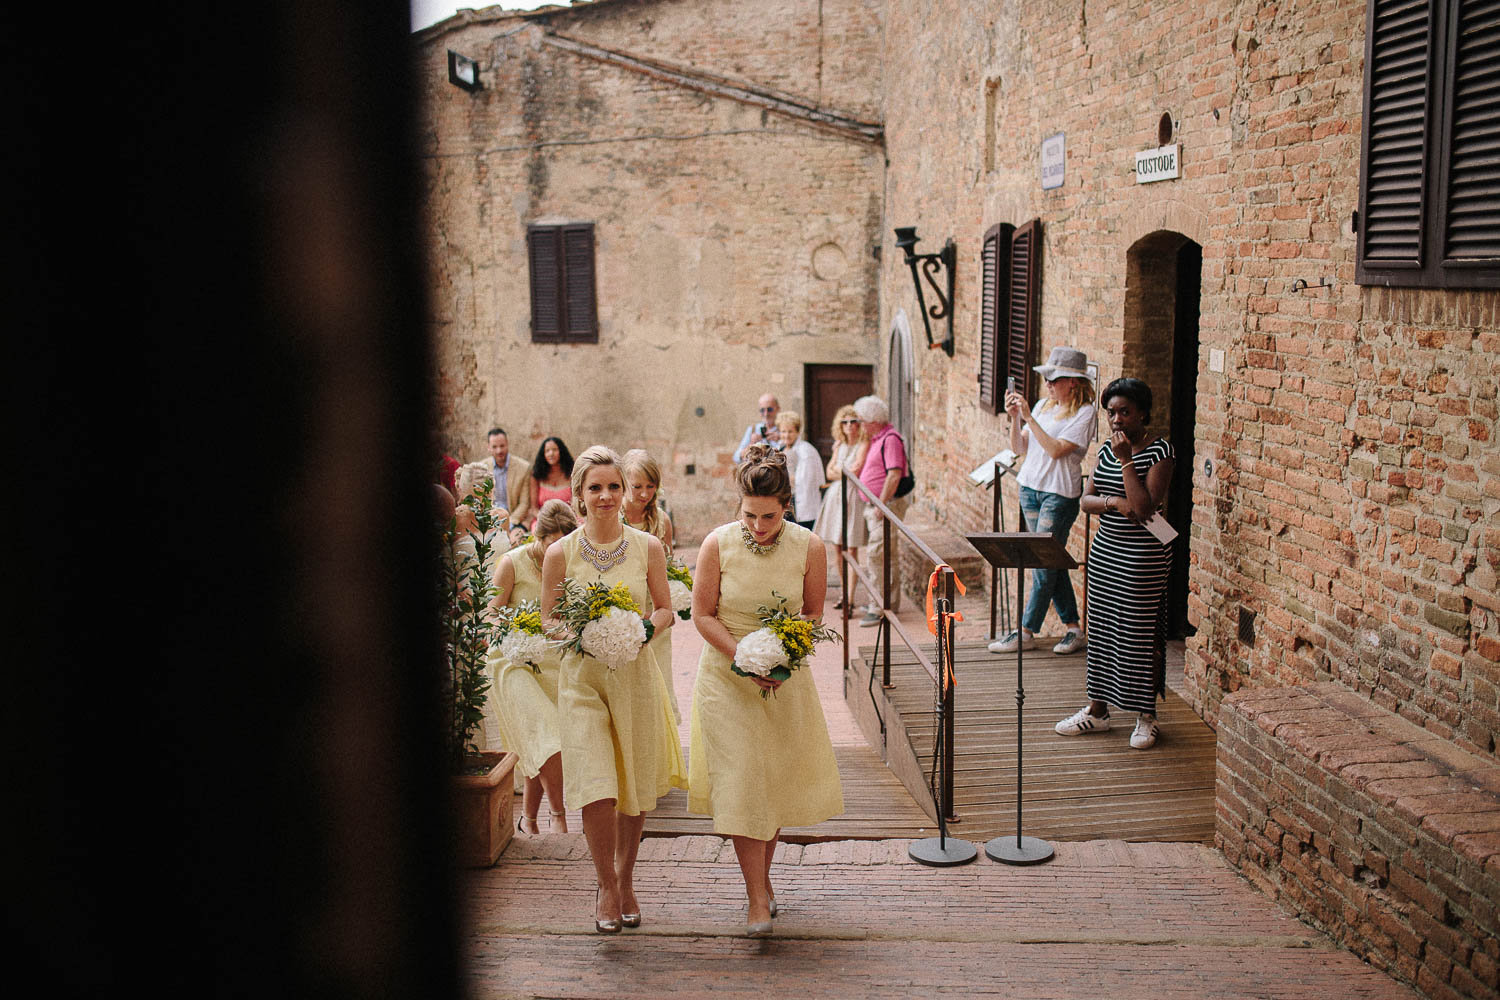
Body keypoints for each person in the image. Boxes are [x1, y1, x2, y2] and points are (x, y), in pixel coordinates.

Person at [688, 444, 843, 938]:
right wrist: (743, 656)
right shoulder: (716, 544)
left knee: (769, 786)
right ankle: (757, 896)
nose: (759, 526)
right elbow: (702, 614)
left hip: (782, 682)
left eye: (770, 516)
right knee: (740, 784)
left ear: (788, 506)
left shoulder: (809, 547)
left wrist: (780, 655)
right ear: (739, 505)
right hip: (725, 680)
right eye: (750, 515)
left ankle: (762, 880)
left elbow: (814, 615)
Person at [542, 446, 685, 933]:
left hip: (635, 679)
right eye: (595, 488)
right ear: (579, 495)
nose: (606, 496)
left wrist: (642, 629)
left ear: (625, 493)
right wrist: (585, 633)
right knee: (597, 787)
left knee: (633, 788)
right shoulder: (560, 554)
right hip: (582, 682)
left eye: (613, 487)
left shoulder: (649, 548)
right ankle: (604, 884)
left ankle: (626, 878)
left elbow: (664, 609)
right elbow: (550, 621)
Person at [1054, 378, 1175, 751]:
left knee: (1137, 634)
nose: (1117, 420)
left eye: (1125, 412)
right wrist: (1111, 503)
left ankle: (1145, 716)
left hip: (1143, 557)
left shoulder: (1160, 452)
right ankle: (1098, 710)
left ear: (1142, 413)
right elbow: (1085, 500)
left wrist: (1126, 464)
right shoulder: (1106, 448)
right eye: (1111, 413)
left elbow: (1143, 508)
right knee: (1103, 629)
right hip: (1107, 552)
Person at [989, 346, 1097, 656]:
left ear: (1073, 382)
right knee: (1050, 560)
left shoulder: (1085, 413)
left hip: (1059, 493)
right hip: (1030, 488)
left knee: (1042, 561)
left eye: (1053, 378)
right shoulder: (1043, 406)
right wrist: (1015, 420)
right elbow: (1019, 448)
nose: (1047, 384)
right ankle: (1074, 629)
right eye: (1046, 378)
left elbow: (1056, 450)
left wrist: (1029, 418)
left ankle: (1025, 630)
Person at [488, 499, 577, 834]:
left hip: (551, 662)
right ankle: (559, 816)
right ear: (537, 536)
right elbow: (492, 613)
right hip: (512, 662)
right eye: (549, 543)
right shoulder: (512, 563)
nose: (555, 552)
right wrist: (515, 637)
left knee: (536, 739)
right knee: (547, 735)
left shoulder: (569, 564)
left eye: (562, 545)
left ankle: (529, 821)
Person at [620, 448, 679, 724]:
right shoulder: (612, 519)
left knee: (658, 683)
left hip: (654, 611)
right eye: (637, 487)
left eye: (650, 486)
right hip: (621, 607)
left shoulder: (660, 522)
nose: (644, 494)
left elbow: (668, 568)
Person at [853, 395, 910, 627]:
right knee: (885, 554)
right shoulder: (879, 438)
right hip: (876, 506)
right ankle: (886, 602)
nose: (860, 425)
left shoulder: (891, 439)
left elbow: (894, 473)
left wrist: (881, 503)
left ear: (873, 420)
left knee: (877, 555)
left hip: (884, 506)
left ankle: (879, 607)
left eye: (861, 420)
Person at [812, 405, 869, 609]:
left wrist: (840, 471)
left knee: (851, 548)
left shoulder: (863, 444)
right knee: (837, 547)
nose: (849, 426)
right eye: (844, 422)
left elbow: (856, 471)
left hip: (852, 497)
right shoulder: (839, 445)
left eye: (853, 421)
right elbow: (830, 472)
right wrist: (842, 472)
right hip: (836, 496)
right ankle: (844, 593)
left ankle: (851, 597)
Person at [776, 411, 822, 530]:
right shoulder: (779, 448)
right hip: (784, 503)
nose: (786, 435)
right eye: (783, 431)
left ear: (797, 432)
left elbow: (805, 482)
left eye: (790, 431)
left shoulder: (806, 451)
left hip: (800, 506)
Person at [487, 427, 532, 543]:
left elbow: (524, 503)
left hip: (514, 520)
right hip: (489, 521)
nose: (499, 451)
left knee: (514, 543)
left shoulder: (523, 467)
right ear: (488, 447)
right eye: (494, 447)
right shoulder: (483, 468)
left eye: (502, 446)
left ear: (507, 444)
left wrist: (509, 524)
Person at [529, 436, 574, 530]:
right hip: (543, 521)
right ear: (543, 454)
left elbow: (577, 505)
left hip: (568, 520)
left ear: (561, 451)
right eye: (547, 451)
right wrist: (547, 520)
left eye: (554, 450)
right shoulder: (536, 475)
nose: (551, 454)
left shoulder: (572, 474)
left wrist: (564, 521)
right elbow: (534, 509)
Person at [732, 393, 782, 462]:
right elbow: (736, 457)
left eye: (769, 409)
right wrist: (751, 445)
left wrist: (781, 440)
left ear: (778, 409)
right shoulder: (753, 429)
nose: (766, 414)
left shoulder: (784, 430)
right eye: (762, 410)